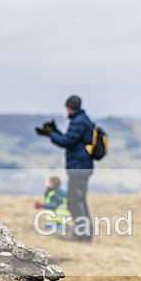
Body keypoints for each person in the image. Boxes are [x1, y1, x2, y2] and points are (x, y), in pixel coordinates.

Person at [35, 95, 94, 241]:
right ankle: (85, 234)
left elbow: (67, 141)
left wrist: (52, 134)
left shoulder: (79, 122)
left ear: (68, 108)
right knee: (79, 200)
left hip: (78, 167)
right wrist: (56, 132)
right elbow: (72, 141)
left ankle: (82, 235)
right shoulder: (83, 120)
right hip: (82, 167)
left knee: (74, 201)